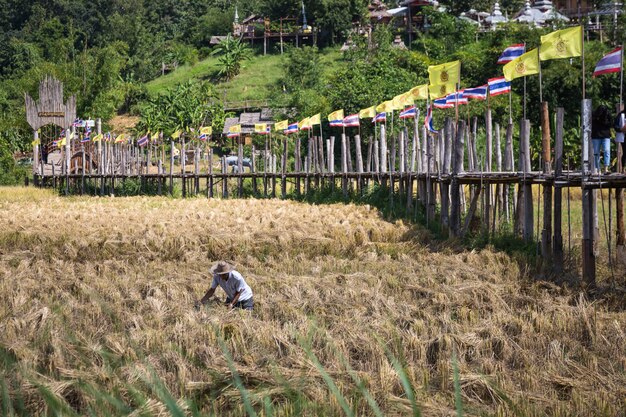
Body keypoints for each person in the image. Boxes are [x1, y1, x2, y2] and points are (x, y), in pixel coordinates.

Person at [591, 104, 613, 174]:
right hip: (596, 136)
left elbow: (611, 123)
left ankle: (606, 168)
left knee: (606, 151)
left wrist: (604, 121)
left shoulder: (607, 114)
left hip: (606, 136)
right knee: (596, 153)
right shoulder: (594, 115)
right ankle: (598, 169)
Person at [615, 104, 626, 172]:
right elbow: (615, 125)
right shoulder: (621, 114)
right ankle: (623, 169)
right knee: (625, 152)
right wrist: (621, 129)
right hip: (623, 136)